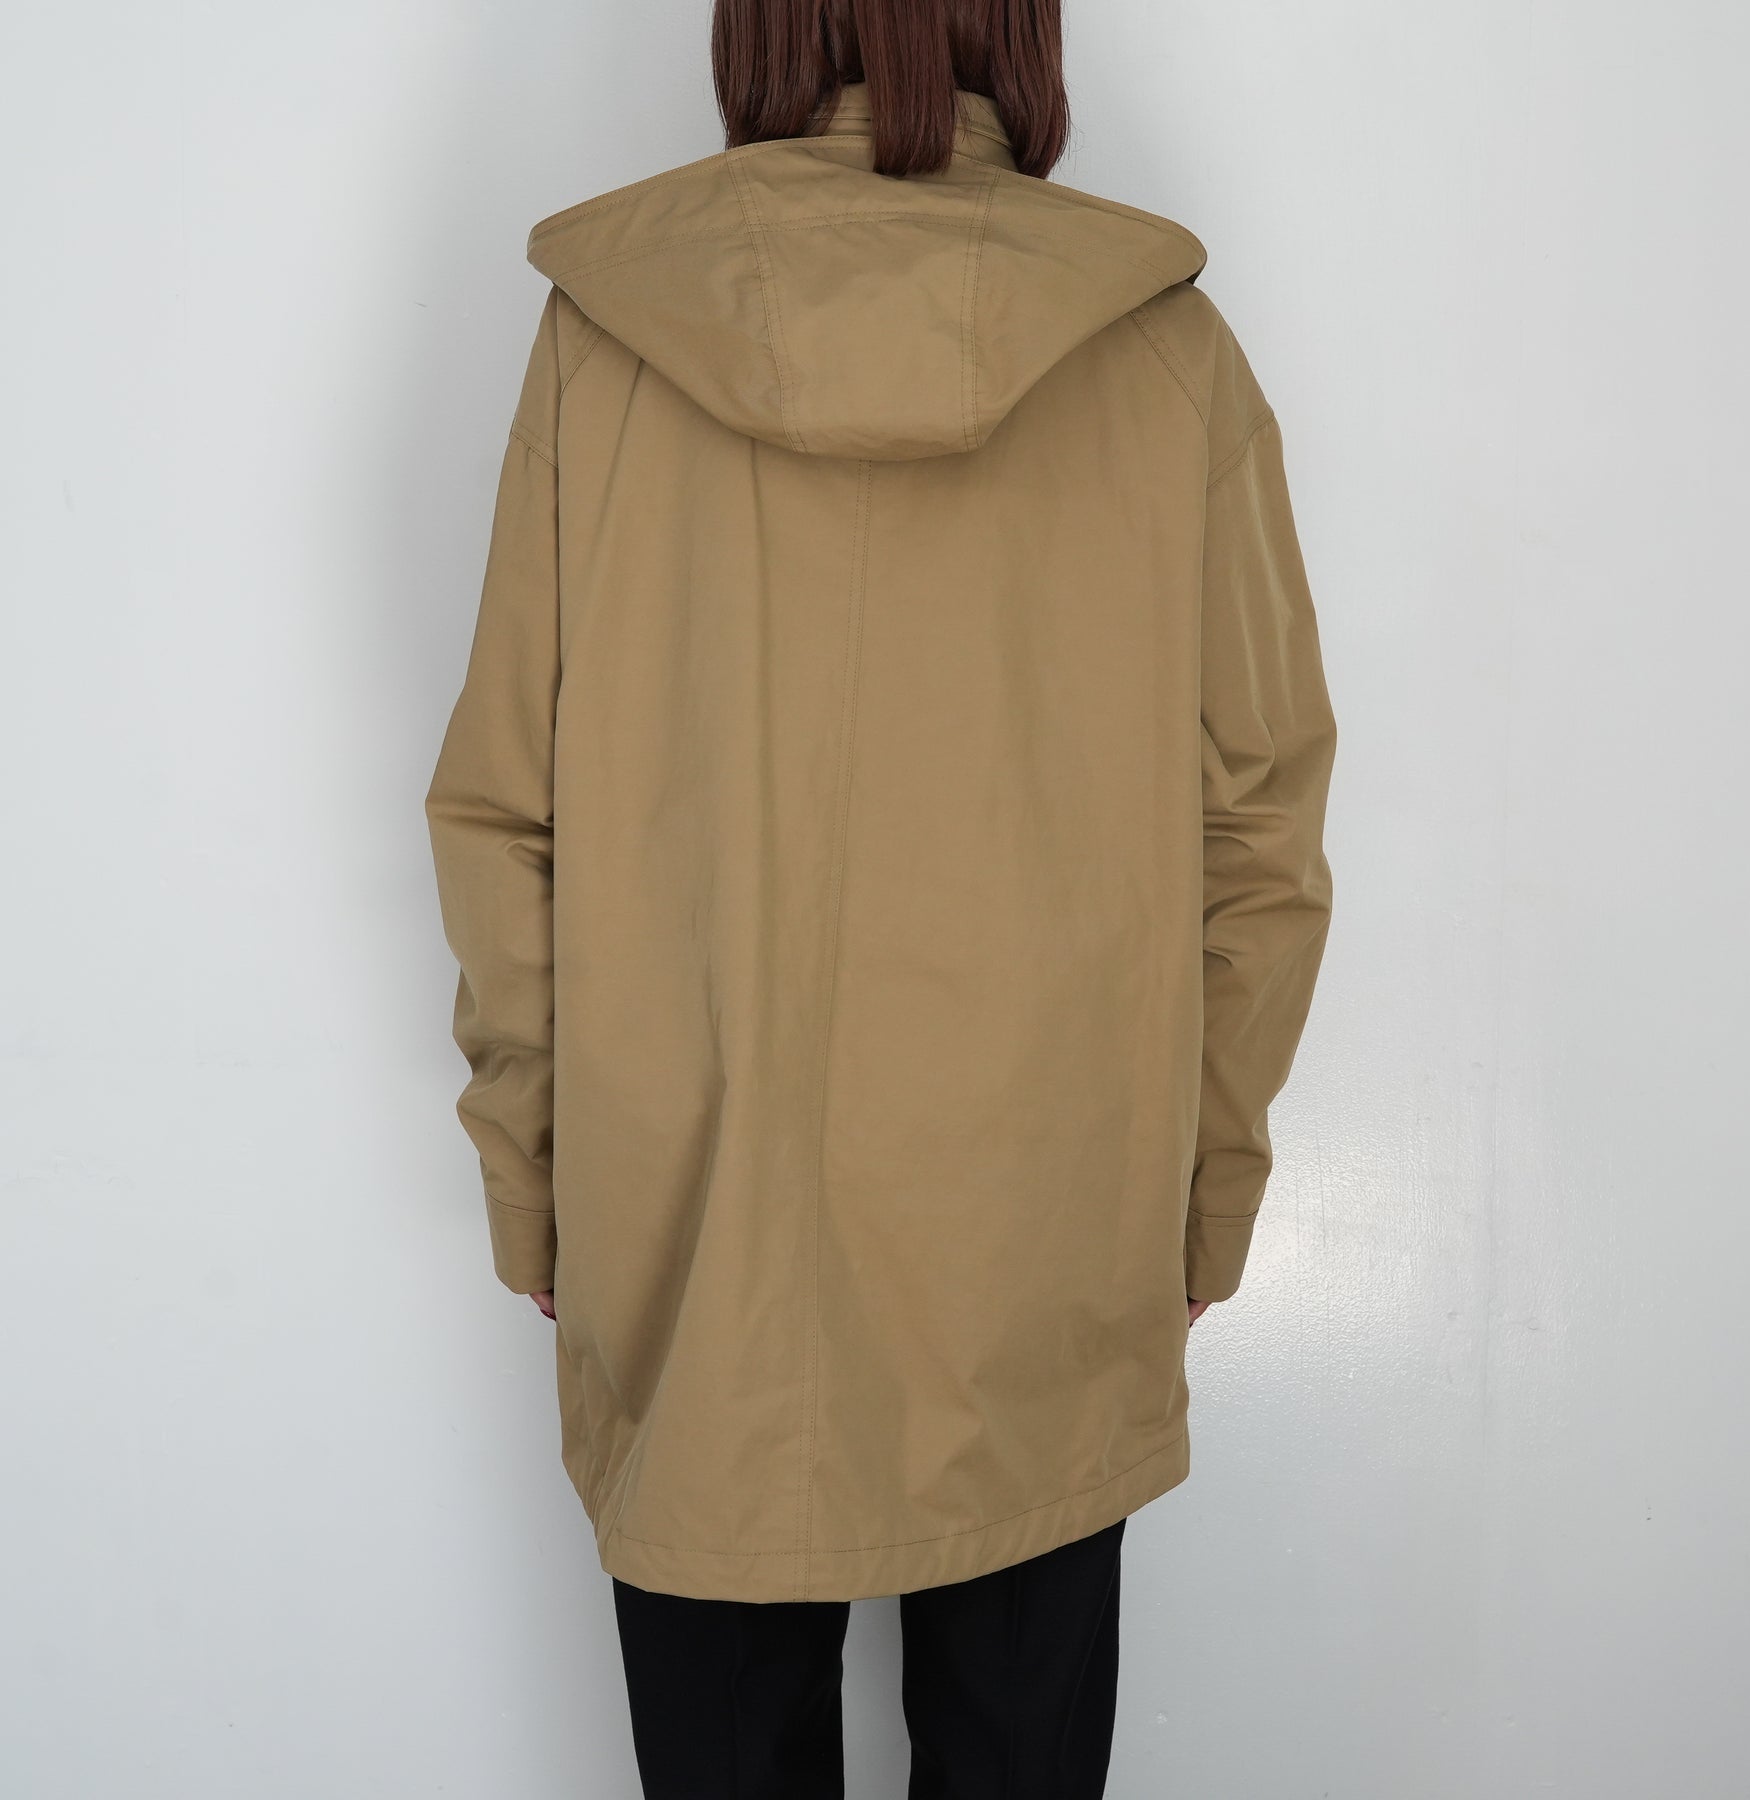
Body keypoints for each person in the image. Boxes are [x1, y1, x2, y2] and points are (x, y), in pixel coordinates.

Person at [424, 0, 1336, 1792]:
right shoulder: (1167, 356)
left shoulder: (605, 346)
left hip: (695, 1235)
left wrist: (540, 1186)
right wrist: (1202, 1197)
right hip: (1052, 1240)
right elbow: (1259, 834)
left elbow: (506, 809)